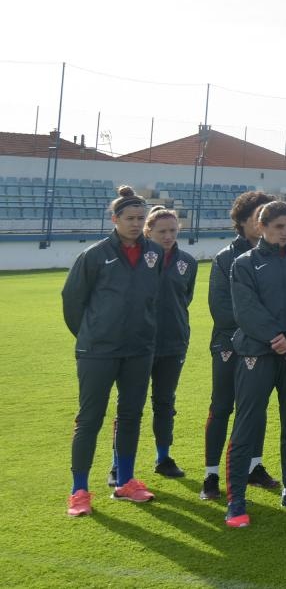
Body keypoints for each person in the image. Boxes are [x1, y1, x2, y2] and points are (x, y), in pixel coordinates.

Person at [223, 200, 286, 527]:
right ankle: (236, 499)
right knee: (247, 424)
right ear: (262, 227)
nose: (284, 233)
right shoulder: (244, 264)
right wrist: (277, 339)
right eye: (278, 227)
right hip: (258, 353)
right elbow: (246, 310)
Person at [62, 186, 163, 516]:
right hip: (98, 351)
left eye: (140, 218)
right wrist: (92, 335)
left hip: (139, 349)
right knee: (90, 419)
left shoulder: (154, 254)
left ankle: (126, 481)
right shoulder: (93, 255)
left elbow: (153, 298)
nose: (135, 224)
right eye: (129, 218)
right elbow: (72, 301)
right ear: (114, 219)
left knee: (131, 416)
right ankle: (79, 491)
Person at [201, 190, 279, 501]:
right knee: (222, 407)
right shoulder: (225, 258)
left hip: (262, 346)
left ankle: (254, 467)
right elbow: (221, 310)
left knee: (256, 408)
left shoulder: (275, 255)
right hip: (229, 345)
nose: (263, 223)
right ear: (243, 221)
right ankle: (211, 475)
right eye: (257, 217)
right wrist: (262, 330)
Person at [139, 207, 196, 482]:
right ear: (148, 231)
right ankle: (118, 464)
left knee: (165, 403)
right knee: (130, 405)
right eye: (162, 231)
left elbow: (184, 299)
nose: (168, 236)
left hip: (174, 343)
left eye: (173, 231)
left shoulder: (187, 262)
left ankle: (163, 457)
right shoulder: (136, 260)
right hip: (137, 344)